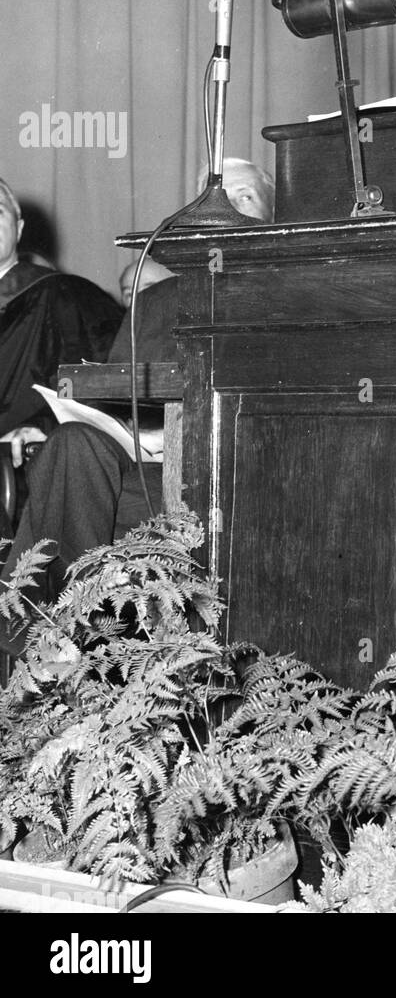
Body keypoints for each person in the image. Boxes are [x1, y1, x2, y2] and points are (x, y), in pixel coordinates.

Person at [0, 159, 275, 639]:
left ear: (275, 214)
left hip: (244, 471)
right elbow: (116, 402)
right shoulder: (154, 302)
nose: (224, 209)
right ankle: (79, 630)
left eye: (244, 196)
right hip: (148, 470)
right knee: (70, 445)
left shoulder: (299, 293)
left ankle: (52, 642)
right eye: (210, 200)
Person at [0, 177, 122, 452]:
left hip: (21, 462)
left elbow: (99, 386)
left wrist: (45, 428)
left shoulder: (64, 296)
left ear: (18, 229)